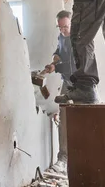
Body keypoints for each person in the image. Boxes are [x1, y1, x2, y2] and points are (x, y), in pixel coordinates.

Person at [43, 10, 76, 174]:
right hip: (66, 82)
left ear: (72, 22)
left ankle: (83, 158)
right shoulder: (62, 36)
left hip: (82, 83)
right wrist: (55, 58)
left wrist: (55, 67)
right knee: (63, 120)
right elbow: (59, 50)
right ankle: (63, 159)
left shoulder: (79, 38)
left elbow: (72, 65)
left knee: (84, 120)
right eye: (60, 27)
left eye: (66, 26)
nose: (63, 30)